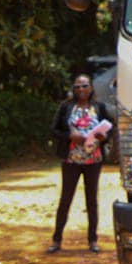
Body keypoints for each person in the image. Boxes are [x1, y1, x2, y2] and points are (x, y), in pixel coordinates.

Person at [49, 75, 115, 253]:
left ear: (91, 88)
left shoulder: (99, 107)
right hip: (71, 159)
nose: (80, 89)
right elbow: (54, 129)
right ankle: (56, 240)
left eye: (84, 86)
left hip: (93, 160)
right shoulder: (66, 107)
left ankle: (93, 240)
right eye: (77, 86)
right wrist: (70, 136)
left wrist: (104, 137)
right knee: (66, 199)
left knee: (91, 200)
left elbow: (111, 126)